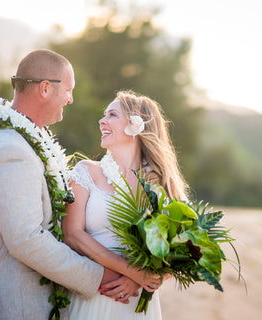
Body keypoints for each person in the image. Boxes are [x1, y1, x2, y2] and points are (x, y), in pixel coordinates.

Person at [0, 49, 128, 320]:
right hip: (19, 305)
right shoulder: (10, 150)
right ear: (45, 88)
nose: (71, 99)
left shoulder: (31, 140)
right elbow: (26, 240)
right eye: (68, 90)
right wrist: (100, 275)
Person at [62, 90, 189, 319]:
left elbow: (184, 247)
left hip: (136, 302)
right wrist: (132, 272)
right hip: (94, 292)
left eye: (111, 115)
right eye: (104, 115)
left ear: (136, 126)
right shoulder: (85, 172)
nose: (101, 121)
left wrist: (139, 281)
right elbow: (72, 234)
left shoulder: (161, 183)